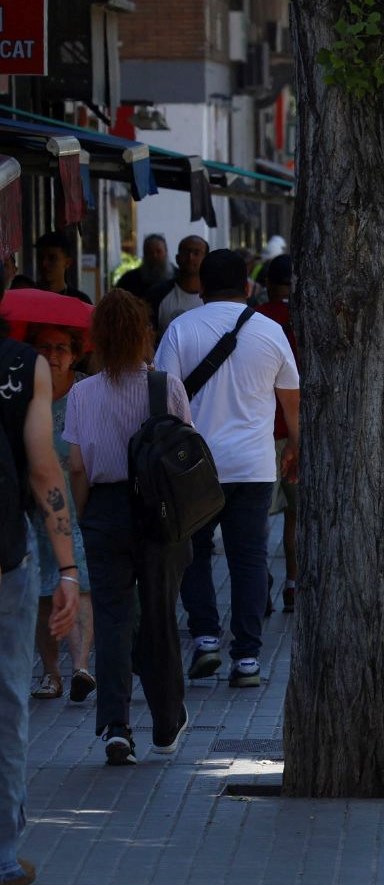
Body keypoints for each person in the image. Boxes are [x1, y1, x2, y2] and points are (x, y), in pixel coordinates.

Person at [155, 250, 300, 689]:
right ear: (247, 286)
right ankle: (249, 658)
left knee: (193, 553)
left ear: (200, 284)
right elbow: (292, 399)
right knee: (249, 557)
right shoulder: (270, 331)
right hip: (254, 465)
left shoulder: (181, 329)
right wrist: (295, 447)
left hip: (193, 467)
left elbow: (162, 401)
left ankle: (204, 639)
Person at [63, 290, 194, 767]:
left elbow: (77, 467)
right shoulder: (167, 386)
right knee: (159, 617)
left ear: (97, 338)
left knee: (115, 620)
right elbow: (184, 451)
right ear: (144, 335)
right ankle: (166, 722)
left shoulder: (81, 393)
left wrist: (83, 515)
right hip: (158, 513)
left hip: (105, 510)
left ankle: (116, 728)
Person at [0, 285, 82, 885]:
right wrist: (68, 569)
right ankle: (2, 854)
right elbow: (43, 467)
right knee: (7, 704)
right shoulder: (19, 365)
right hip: (5, 557)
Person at [26, 325, 94, 702]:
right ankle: (51, 675)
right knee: (41, 592)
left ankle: (81, 668)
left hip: (80, 504)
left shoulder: (86, 391)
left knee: (81, 583)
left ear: (76, 353)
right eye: (44, 347)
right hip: (36, 508)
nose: (53, 355)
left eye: (62, 348)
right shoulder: (24, 390)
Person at [257, 255, 300, 613]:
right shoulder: (306, 319)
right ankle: (293, 583)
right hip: (298, 431)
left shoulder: (254, 319)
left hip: (261, 432)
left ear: (268, 282)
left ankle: (260, 582)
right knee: (296, 514)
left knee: (259, 515)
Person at [153, 235, 211, 336]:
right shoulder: (157, 295)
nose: (190, 257)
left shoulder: (217, 296)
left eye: (196, 253)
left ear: (206, 259)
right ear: (177, 258)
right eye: (186, 252)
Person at [33, 232, 92, 305]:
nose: (44, 264)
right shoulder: (29, 297)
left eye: (52, 258)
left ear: (67, 262)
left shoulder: (80, 302)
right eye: (40, 258)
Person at [113, 233, 172, 301]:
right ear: (144, 254)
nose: (154, 256)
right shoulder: (128, 280)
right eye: (150, 252)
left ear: (166, 252)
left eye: (158, 251)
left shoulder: (178, 278)